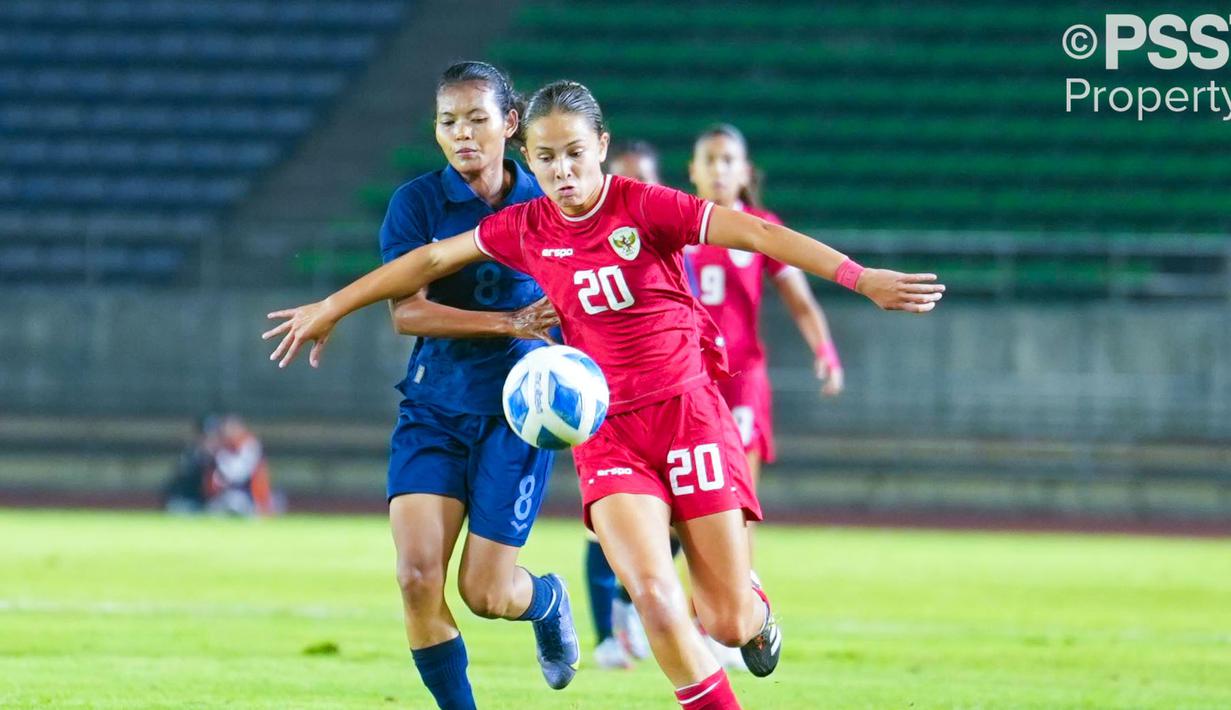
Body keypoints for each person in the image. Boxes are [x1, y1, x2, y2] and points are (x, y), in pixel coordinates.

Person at [263, 80, 944, 710]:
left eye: (575, 154)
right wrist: (333, 305)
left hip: (688, 414)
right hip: (608, 434)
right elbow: (432, 261)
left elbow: (759, 234)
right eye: (547, 157)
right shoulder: (526, 227)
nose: (562, 170)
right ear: (528, 157)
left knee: (725, 620)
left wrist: (859, 278)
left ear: (602, 149)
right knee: (650, 592)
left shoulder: (643, 206)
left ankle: (755, 611)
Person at [361, 62, 580, 710]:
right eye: (447, 121)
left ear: (509, 124)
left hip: (519, 418)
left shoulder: (547, 198)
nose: (462, 134)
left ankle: (545, 599)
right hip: (434, 407)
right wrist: (506, 322)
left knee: (485, 595)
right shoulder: (418, 203)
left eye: (476, 119)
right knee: (416, 577)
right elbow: (405, 311)